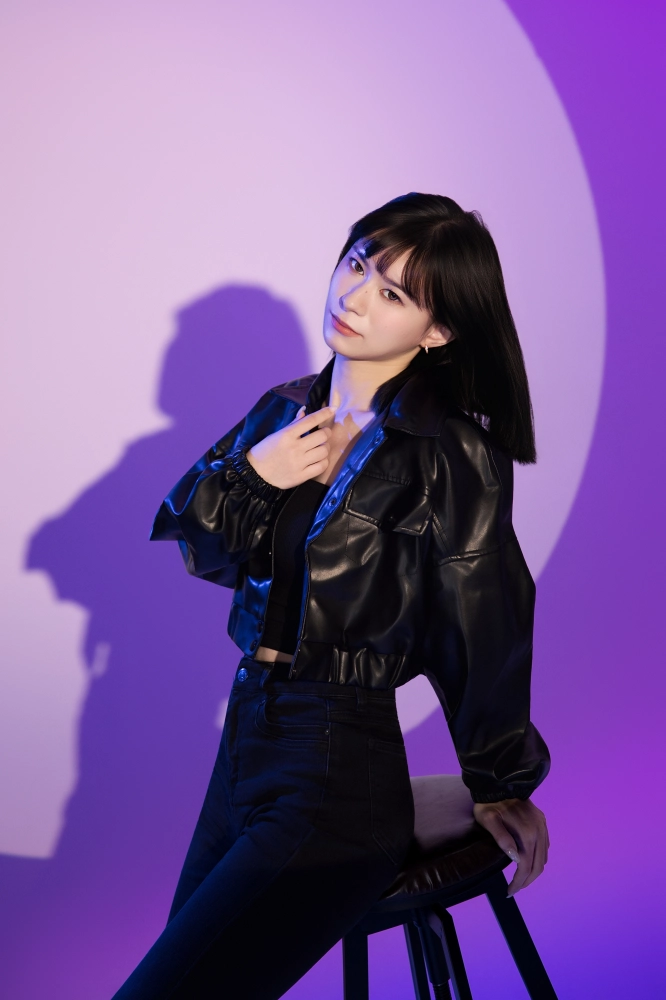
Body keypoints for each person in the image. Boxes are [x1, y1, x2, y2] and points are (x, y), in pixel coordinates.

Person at [111, 192, 550, 999]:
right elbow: (199, 548)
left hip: (337, 766)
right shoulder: (284, 411)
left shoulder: (451, 453)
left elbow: (484, 619)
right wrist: (256, 473)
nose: (354, 297)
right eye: (357, 264)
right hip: (245, 742)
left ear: (437, 331)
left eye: (393, 293)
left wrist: (498, 780)